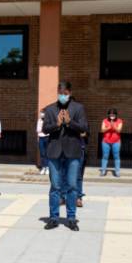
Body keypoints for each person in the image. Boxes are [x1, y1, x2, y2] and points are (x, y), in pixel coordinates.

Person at [42, 81, 88, 231]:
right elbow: (45, 129)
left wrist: (70, 122)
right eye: (60, 93)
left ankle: (71, 218)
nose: (62, 96)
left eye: (65, 93)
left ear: (70, 93)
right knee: (55, 186)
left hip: (72, 152)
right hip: (54, 152)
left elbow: (84, 127)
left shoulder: (78, 108)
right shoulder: (50, 109)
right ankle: (53, 218)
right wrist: (56, 124)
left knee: (72, 186)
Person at [100, 108, 123, 177]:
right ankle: (103, 171)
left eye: (113, 114)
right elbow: (102, 130)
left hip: (116, 142)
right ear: (108, 115)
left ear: (116, 115)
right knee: (105, 156)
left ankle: (117, 172)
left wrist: (114, 126)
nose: (112, 116)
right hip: (105, 141)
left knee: (116, 156)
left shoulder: (119, 121)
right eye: (110, 114)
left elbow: (119, 130)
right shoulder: (105, 120)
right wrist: (109, 127)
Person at [37, 109, 49, 175]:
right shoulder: (39, 121)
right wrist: (44, 129)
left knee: (47, 153)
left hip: (47, 137)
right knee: (42, 153)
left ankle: (47, 167)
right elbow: (38, 130)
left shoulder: (48, 120)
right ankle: (43, 167)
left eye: (42, 113)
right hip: (41, 138)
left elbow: (48, 130)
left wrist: (43, 129)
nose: (41, 114)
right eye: (40, 113)